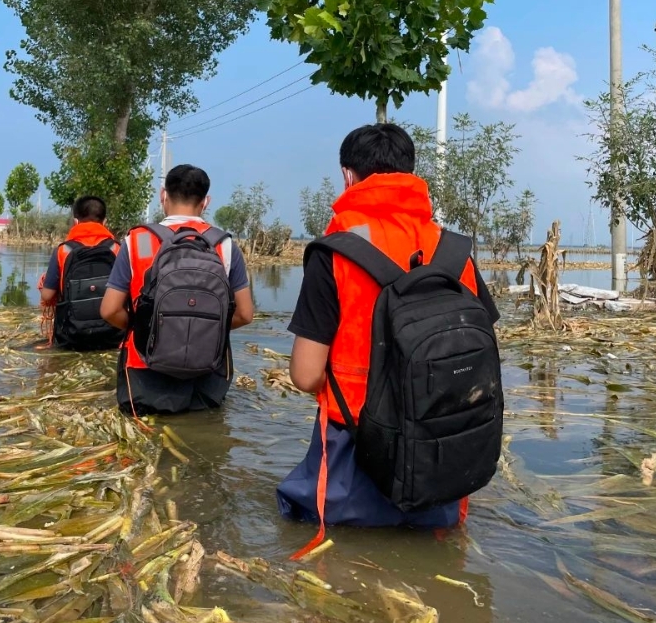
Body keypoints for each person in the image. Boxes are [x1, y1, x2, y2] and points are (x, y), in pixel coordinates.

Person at [277, 123, 501, 543]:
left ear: (348, 175)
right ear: (411, 174)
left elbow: (306, 375)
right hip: (445, 451)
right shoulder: (453, 250)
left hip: (356, 445)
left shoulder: (335, 250)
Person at [100, 164, 254, 415]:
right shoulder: (225, 245)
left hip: (143, 371)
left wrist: (143, 326)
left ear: (163, 196)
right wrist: (205, 329)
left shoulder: (137, 241)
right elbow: (245, 314)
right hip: (208, 373)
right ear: (206, 202)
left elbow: (109, 310)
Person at [39, 196, 123, 351]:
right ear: (105, 222)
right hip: (113, 336)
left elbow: (47, 296)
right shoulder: (118, 249)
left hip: (71, 337)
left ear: (75, 222)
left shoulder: (63, 251)